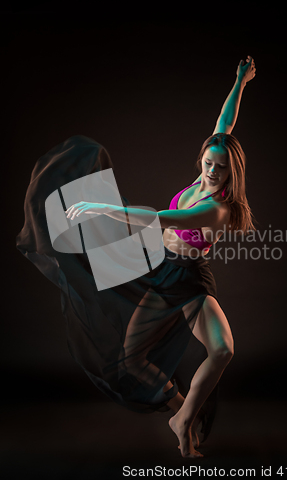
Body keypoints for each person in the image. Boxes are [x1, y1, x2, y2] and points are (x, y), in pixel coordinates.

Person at [16, 56, 256, 459]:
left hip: (191, 280)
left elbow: (157, 218)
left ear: (232, 173)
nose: (211, 172)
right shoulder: (205, 171)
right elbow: (225, 124)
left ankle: (183, 421)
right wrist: (240, 81)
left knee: (224, 350)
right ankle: (180, 411)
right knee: (131, 359)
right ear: (203, 158)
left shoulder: (218, 208)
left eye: (219, 169)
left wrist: (99, 207)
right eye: (208, 163)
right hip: (162, 270)